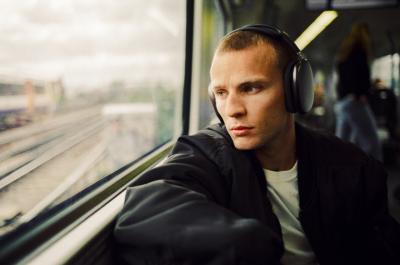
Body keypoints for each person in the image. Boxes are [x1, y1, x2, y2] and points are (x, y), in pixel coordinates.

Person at [114, 24, 400, 265]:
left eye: (251, 88)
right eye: (221, 93)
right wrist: (247, 244)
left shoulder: (354, 167)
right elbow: (145, 208)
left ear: (295, 91)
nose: (232, 109)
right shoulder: (206, 153)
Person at [334, 22, 383, 161]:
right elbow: (360, 76)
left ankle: (336, 175)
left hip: (343, 102)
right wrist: (361, 93)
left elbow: (343, 78)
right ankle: (374, 176)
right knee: (372, 142)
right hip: (355, 101)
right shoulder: (359, 51)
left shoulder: (344, 52)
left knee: (341, 143)